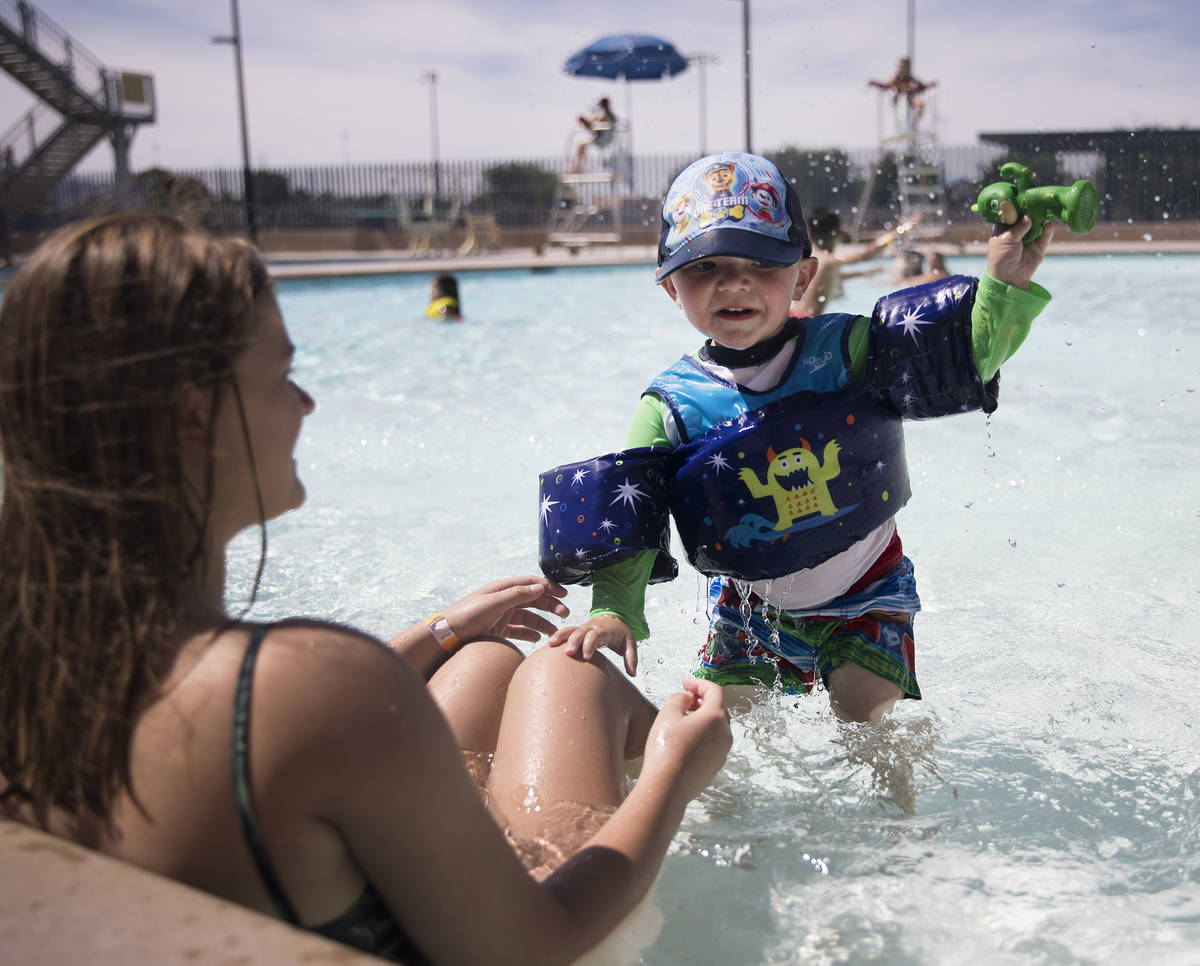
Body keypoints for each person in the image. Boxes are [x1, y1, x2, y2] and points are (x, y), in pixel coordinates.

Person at [0, 213, 732, 965]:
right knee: (564, 671)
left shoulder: (38, 663)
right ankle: (683, 759)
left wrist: (443, 628)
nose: (306, 403)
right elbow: (535, 950)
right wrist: (677, 774)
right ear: (195, 415)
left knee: (480, 660)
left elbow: (311, 726)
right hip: (528, 936)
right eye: (284, 374)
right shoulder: (306, 688)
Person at [538, 152, 1053, 724]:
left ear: (803, 276)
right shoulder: (671, 406)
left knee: (864, 717)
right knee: (714, 724)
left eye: (761, 264)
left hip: (867, 587)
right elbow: (632, 519)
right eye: (705, 268)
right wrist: (614, 610)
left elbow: (964, 357)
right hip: (748, 609)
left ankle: (904, 816)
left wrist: (1005, 282)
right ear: (670, 288)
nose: (735, 282)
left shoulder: (849, 351)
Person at [789, 208, 915, 317]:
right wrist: (898, 232)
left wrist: (863, 273)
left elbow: (828, 278)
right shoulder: (827, 259)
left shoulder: (813, 258)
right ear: (839, 233)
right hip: (804, 323)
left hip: (793, 317)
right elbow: (866, 254)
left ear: (809, 232)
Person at [568, 97, 616, 173]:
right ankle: (579, 166)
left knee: (581, 144)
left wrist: (593, 117)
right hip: (602, 137)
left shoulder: (605, 116)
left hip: (602, 139)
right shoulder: (610, 115)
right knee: (582, 143)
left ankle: (579, 166)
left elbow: (597, 124)